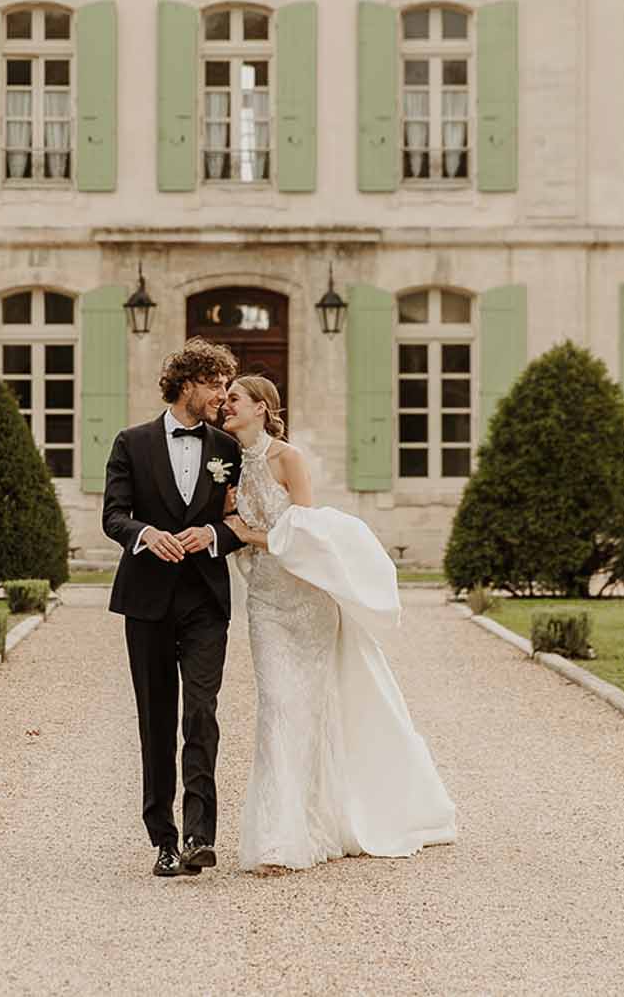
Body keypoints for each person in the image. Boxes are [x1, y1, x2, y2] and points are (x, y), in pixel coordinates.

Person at [220, 374, 458, 874]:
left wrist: (251, 535)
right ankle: (280, 838)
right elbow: (231, 528)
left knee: (314, 708)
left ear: (262, 407)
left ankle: (322, 820)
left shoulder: (289, 459)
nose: (225, 406)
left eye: (234, 399)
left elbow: (308, 533)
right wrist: (229, 525)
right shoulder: (227, 465)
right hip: (264, 602)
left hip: (306, 601)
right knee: (279, 708)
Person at [101, 338, 245, 878]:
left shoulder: (228, 450)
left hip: (205, 599)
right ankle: (162, 838)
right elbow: (113, 516)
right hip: (148, 600)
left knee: (201, 713)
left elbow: (242, 520)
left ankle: (199, 836)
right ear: (187, 384)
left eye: (228, 387)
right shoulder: (131, 443)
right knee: (156, 719)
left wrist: (210, 533)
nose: (224, 397)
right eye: (216, 385)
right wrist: (146, 535)